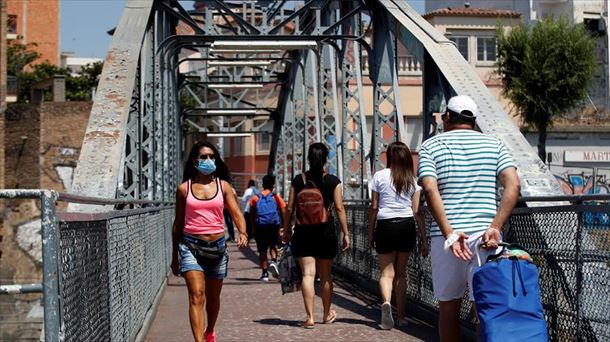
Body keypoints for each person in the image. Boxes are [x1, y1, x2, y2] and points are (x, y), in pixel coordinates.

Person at [417, 95, 521, 342]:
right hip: (486, 239)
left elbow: (430, 190)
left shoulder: (431, 147)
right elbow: (513, 185)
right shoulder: (494, 145)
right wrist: (495, 227)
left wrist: (450, 234)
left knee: (448, 308)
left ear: (446, 118)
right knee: (485, 309)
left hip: (446, 240)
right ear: (473, 121)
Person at [170, 140, 248, 342]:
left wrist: (243, 232)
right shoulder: (183, 189)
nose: (208, 160)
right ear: (195, 160)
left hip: (217, 248)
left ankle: (210, 330)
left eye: (212, 157)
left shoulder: (224, 187)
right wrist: (174, 258)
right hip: (190, 247)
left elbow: (237, 213)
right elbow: (178, 224)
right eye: (204, 157)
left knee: (212, 299)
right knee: (197, 295)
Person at [281, 142, 350, 329]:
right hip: (325, 232)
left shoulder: (298, 180)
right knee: (326, 275)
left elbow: (289, 208)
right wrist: (345, 233)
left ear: (309, 159)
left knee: (308, 274)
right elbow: (339, 208)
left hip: (303, 232)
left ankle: (310, 317)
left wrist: (286, 229)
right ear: (326, 158)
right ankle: (327, 314)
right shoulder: (333, 181)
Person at [367, 141, 428, 330]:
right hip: (406, 225)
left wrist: (371, 233)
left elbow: (375, 207)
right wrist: (424, 238)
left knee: (386, 273)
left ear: (389, 157)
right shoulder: (413, 179)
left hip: (385, 225)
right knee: (401, 274)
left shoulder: (379, 176)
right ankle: (401, 316)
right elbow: (416, 211)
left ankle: (386, 304)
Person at [249, 174, 286, 281]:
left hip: (260, 226)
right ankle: (274, 261)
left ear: (263, 184)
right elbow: (283, 209)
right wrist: (283, 225)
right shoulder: (275, 197)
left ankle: (265, 274)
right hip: (274, 225)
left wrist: (253, 226)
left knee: (262, 250)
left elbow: (251, 213)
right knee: (273, 245)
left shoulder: (256, 198)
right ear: (273, 185)